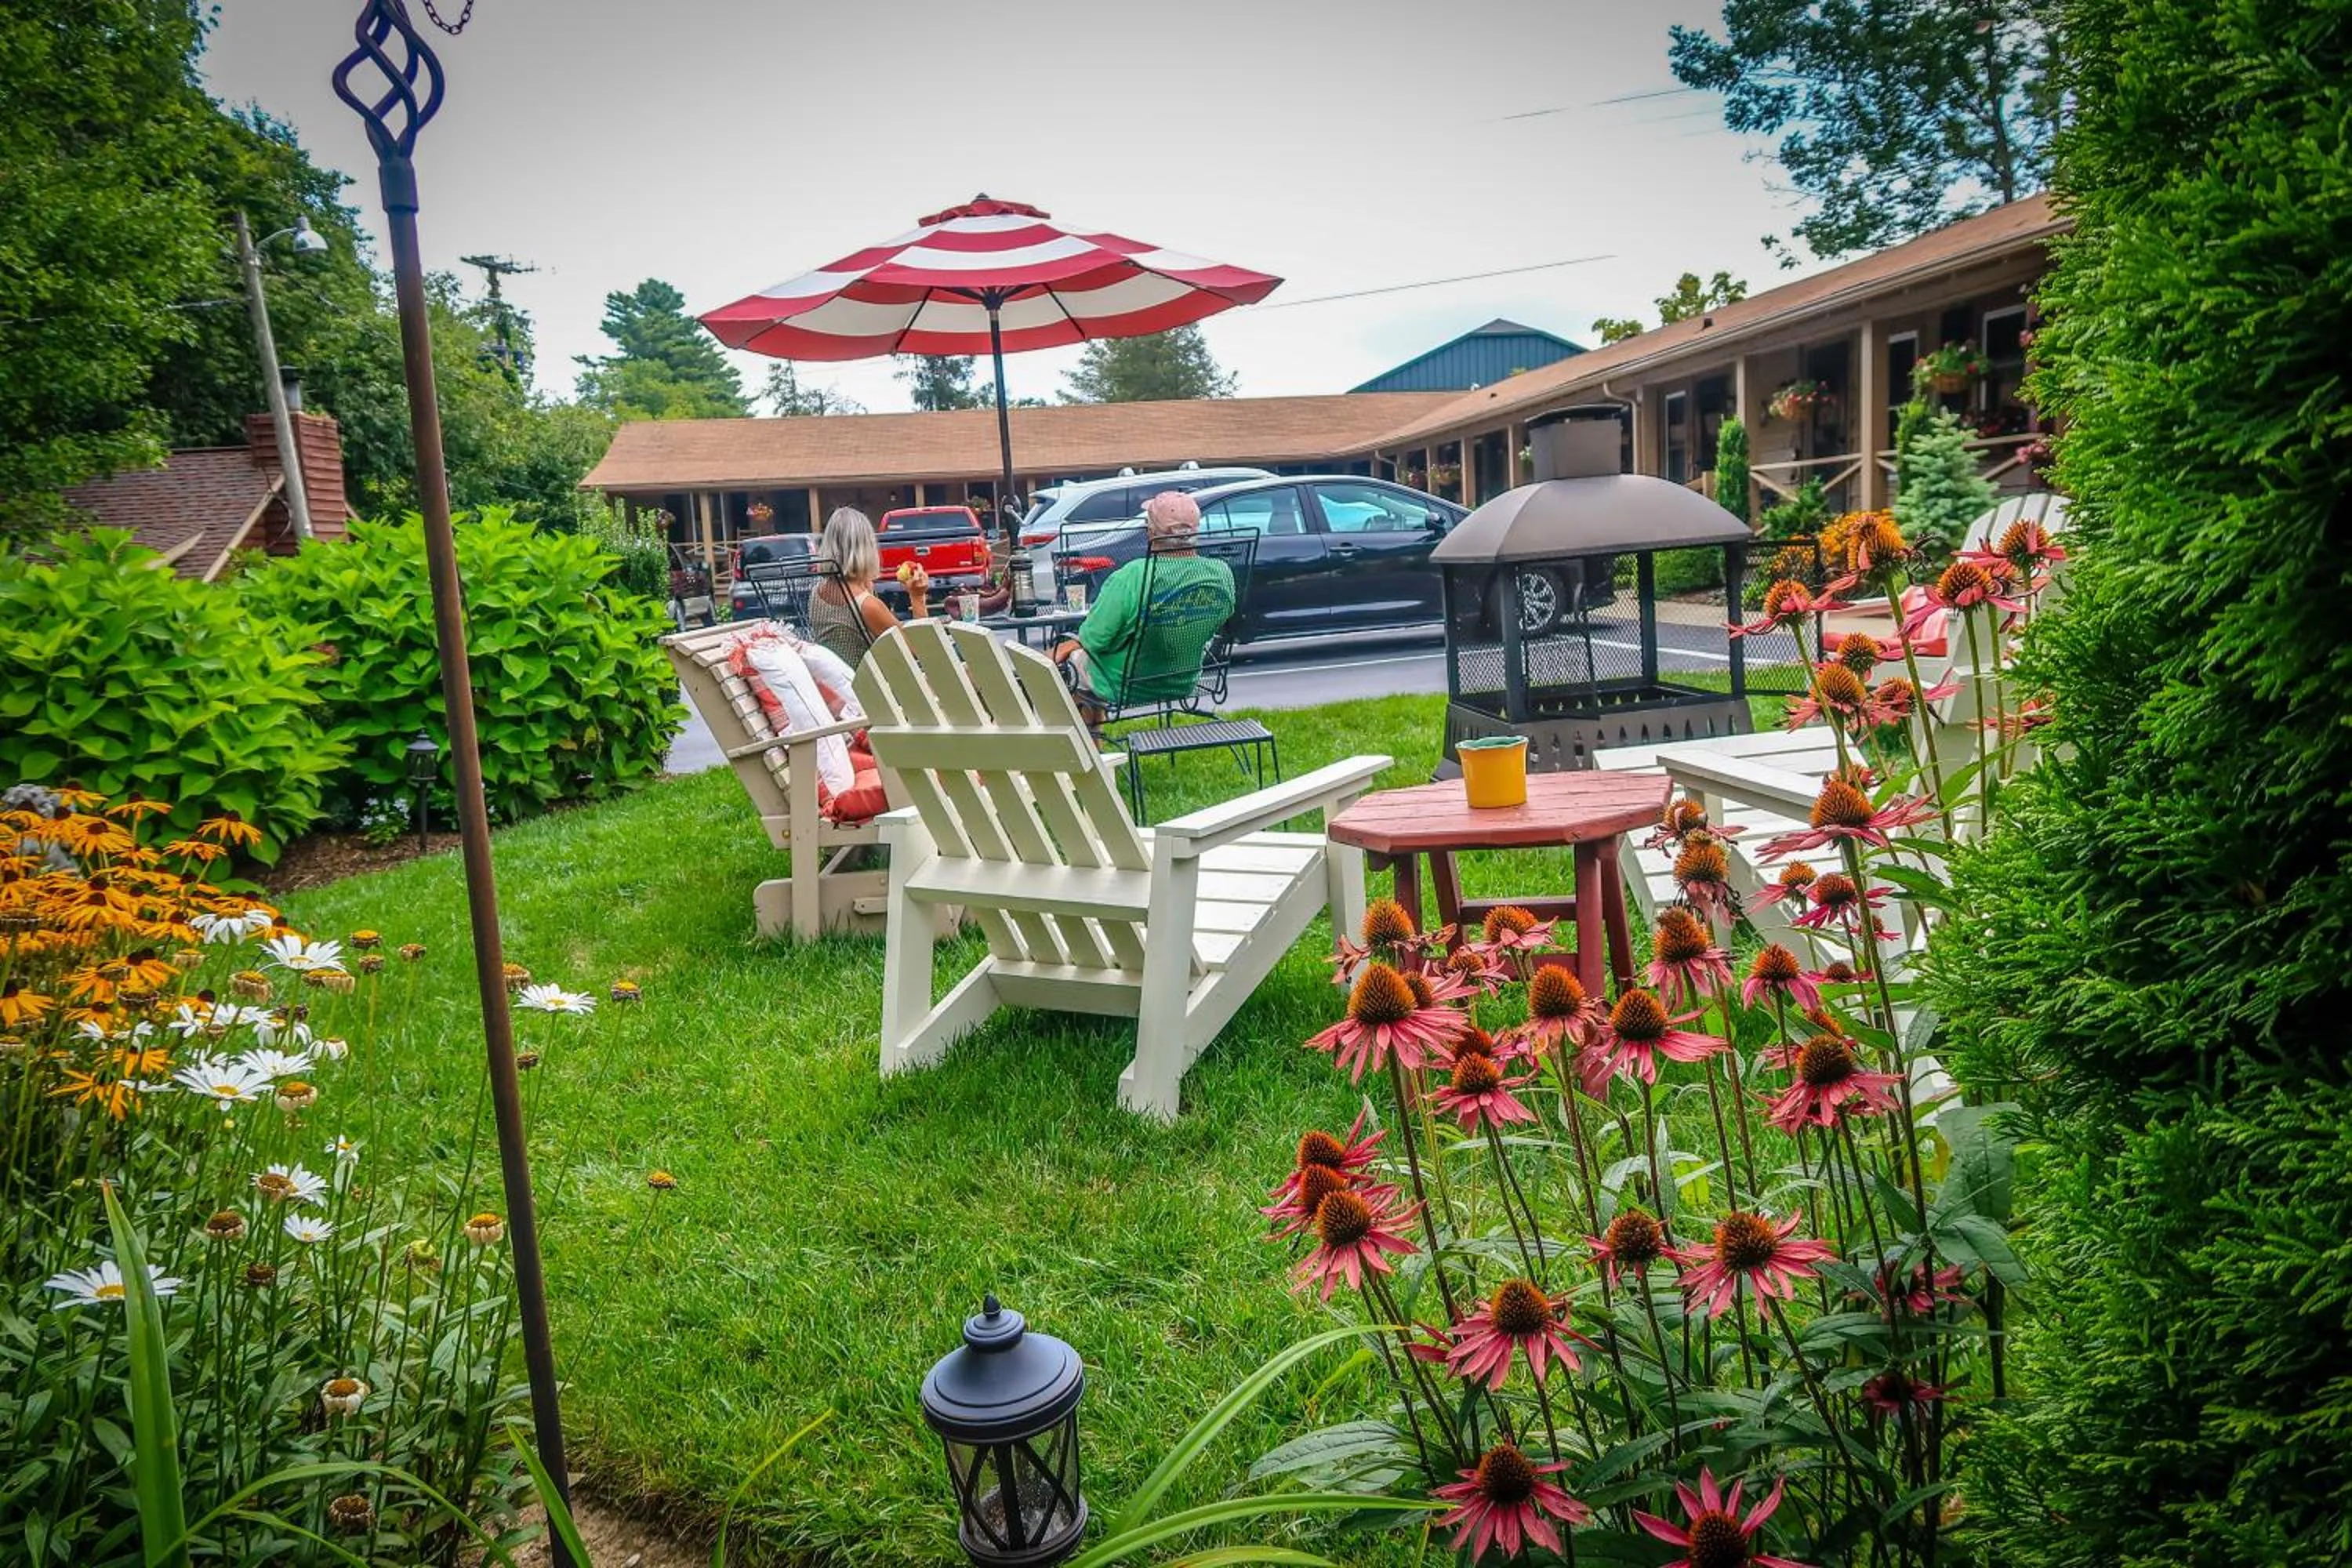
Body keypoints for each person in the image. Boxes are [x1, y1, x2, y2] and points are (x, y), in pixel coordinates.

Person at [1052, 492, 1236, 722]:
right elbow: (1223, 619)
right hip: (1184, 681)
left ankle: (1091, 751)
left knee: (1071, 669)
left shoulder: (1132, 576)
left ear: (1150, 533)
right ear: (1196, 530)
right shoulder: (1221, 573)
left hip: (1124, 684)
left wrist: (1068, 647)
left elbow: (1095, 638)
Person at [808, 506, 924, 667]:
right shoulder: (867, 605)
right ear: (866, 548)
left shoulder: (817, 592)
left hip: (839, 684)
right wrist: (917, 597)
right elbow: (920, 649)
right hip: (871, 688)